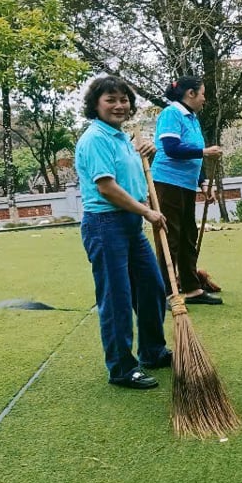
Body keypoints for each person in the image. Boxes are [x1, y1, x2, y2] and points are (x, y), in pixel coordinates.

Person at [74, 75, 171, 389]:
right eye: (110, 100)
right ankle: (121, 368)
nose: (119, 105)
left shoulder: (120, 138)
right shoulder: (95, 139)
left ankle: (152, 351)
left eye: (123, 99)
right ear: (96, 105)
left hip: (130, 225)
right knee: (116, 298)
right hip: (106, 225)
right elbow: (107, 188)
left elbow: (133, 176)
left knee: (153, 288)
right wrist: (148, 212)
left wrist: (148, 153)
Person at [151, 75, 223, 305]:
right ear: (190, 93)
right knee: (170, 236)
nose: (204, 98)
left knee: (187, 235)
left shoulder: (192, 118)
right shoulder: (171, 114)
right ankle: (166, 292)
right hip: (167, 182)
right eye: (202, 93)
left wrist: (202, 182)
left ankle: (192, 288)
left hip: (186, 184)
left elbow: (194, 152)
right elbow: (172, 148)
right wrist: (204, 153)